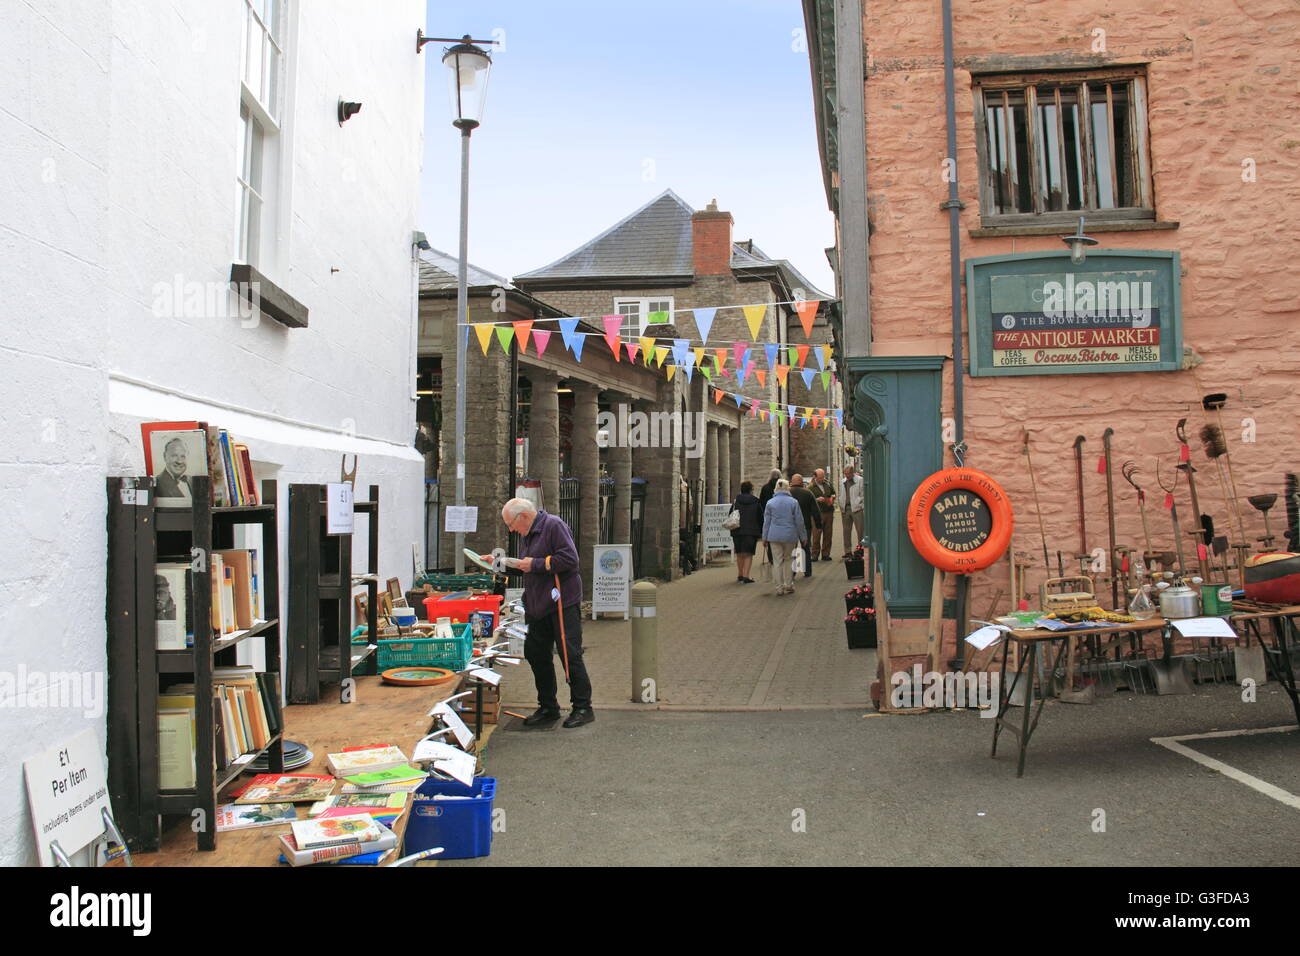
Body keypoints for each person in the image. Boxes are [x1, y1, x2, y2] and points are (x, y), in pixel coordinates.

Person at [500, 498, 595, 728]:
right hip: (537, 603)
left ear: (523, 516)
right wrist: (501, 563)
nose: (511, 530)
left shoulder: (553, 526)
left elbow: (570, 560)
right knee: (536, 653)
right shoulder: (529, 533)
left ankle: (583, 707)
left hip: (561, 602)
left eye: (510, 524)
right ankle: (548, 706)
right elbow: (529, 565)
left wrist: (535, 565)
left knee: (569, 654)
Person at [762, 479, 807, 596]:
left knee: (777, 561)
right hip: (789, 535)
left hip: (774, 535)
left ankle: (779, 587)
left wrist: (764, 537)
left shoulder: (770, 503)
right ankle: (788, 584)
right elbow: (799, 521)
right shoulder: (793, 502)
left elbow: (766, 522)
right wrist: (803, 537)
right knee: (788, 559)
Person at [728, 480, 763, 583]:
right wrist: (761, 530)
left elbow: (730, 514)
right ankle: (746, 575)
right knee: (748, 554)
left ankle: (740, 574)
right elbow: (760, 517)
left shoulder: (736, 501)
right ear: (751, 490)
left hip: (737, 530)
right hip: (751, 531)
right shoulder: (756, 501)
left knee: (739, 553)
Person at [788, 474, 822, 578]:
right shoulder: (808, 493)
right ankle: (807, 571)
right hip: (805, 524)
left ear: (791, 482)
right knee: (806, 548)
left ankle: (792, 571)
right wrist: (818, 524)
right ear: (802, 482)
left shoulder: (787, 493)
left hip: (790, 525)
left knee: (791, 548)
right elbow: (815, 510)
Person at [808, 468, 836, 561]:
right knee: (816, 534)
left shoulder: (828, 484)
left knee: (828, 534)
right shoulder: (810, 487)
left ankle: (826, 554)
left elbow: (833, 493)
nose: (822, 479)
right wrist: (816, 499)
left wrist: (832, 497)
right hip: (817, 514)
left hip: (828, 512)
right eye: (820, 477)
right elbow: (808, 500)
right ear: (815, 477)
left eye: (823, 477)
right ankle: (815, 554)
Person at [154, 436, 194, 500]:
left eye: (183, 456)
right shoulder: (157, 483)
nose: (179, 461)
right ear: (165, 456)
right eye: (174, 456)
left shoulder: (192, 480)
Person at [840, 465, 865, 555]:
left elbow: (863, 494)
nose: (846, 476)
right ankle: (847, 551)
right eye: (845, 474)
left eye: (848, 474)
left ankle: (861, 549)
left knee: (860, 530)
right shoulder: (842, 482)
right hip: (845, 509)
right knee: (846, 531)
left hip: (857, 509)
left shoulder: (860, 480)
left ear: (852, 473)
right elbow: (841, 494)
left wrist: (860, 504)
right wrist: (841, 503)